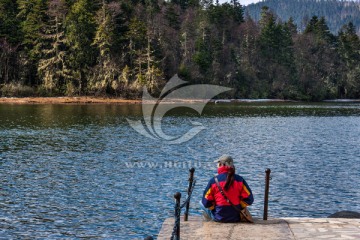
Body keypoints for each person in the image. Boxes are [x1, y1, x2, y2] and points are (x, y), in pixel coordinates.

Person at [200, 155, 254, 222]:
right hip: (236, 217)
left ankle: (209, 223)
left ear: (221, 164)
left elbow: (206, 202)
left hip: (219, 217)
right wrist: (240, 206)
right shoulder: (240, 180)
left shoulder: (213, 181)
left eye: (218, 163)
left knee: (201, 203)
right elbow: (249, 199)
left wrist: (214, 208)